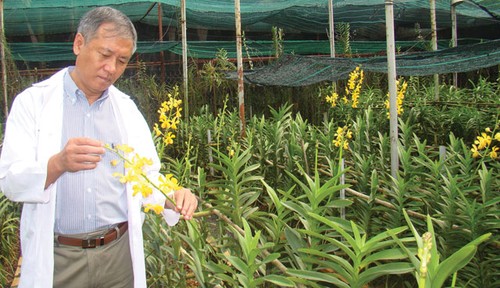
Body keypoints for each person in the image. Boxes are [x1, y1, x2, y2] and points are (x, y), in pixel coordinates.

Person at [0, 6, 198, 288]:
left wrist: (172, 195)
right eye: (104, 55)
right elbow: (10, 181)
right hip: (60, 258)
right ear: (79, 44)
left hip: (118, 256)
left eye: (121, 61)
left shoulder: (127, 111)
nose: (111, 68)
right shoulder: (32, 103)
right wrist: (58, 164)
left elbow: (146, 177)